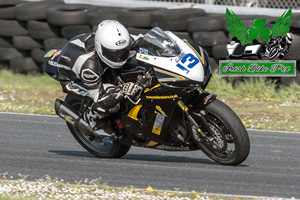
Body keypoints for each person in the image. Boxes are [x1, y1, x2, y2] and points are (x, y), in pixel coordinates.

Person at [46, 20, 142, 135]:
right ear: (101, 48)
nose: (119, 56)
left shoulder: (118, 41)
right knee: (112, 103)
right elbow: (100, 98)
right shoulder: (88, 66)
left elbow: (143, 39)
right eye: (114, 53)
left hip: (101, 66)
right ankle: (94, 119)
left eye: (123, 51)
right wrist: (121, 90)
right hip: (74, 80)